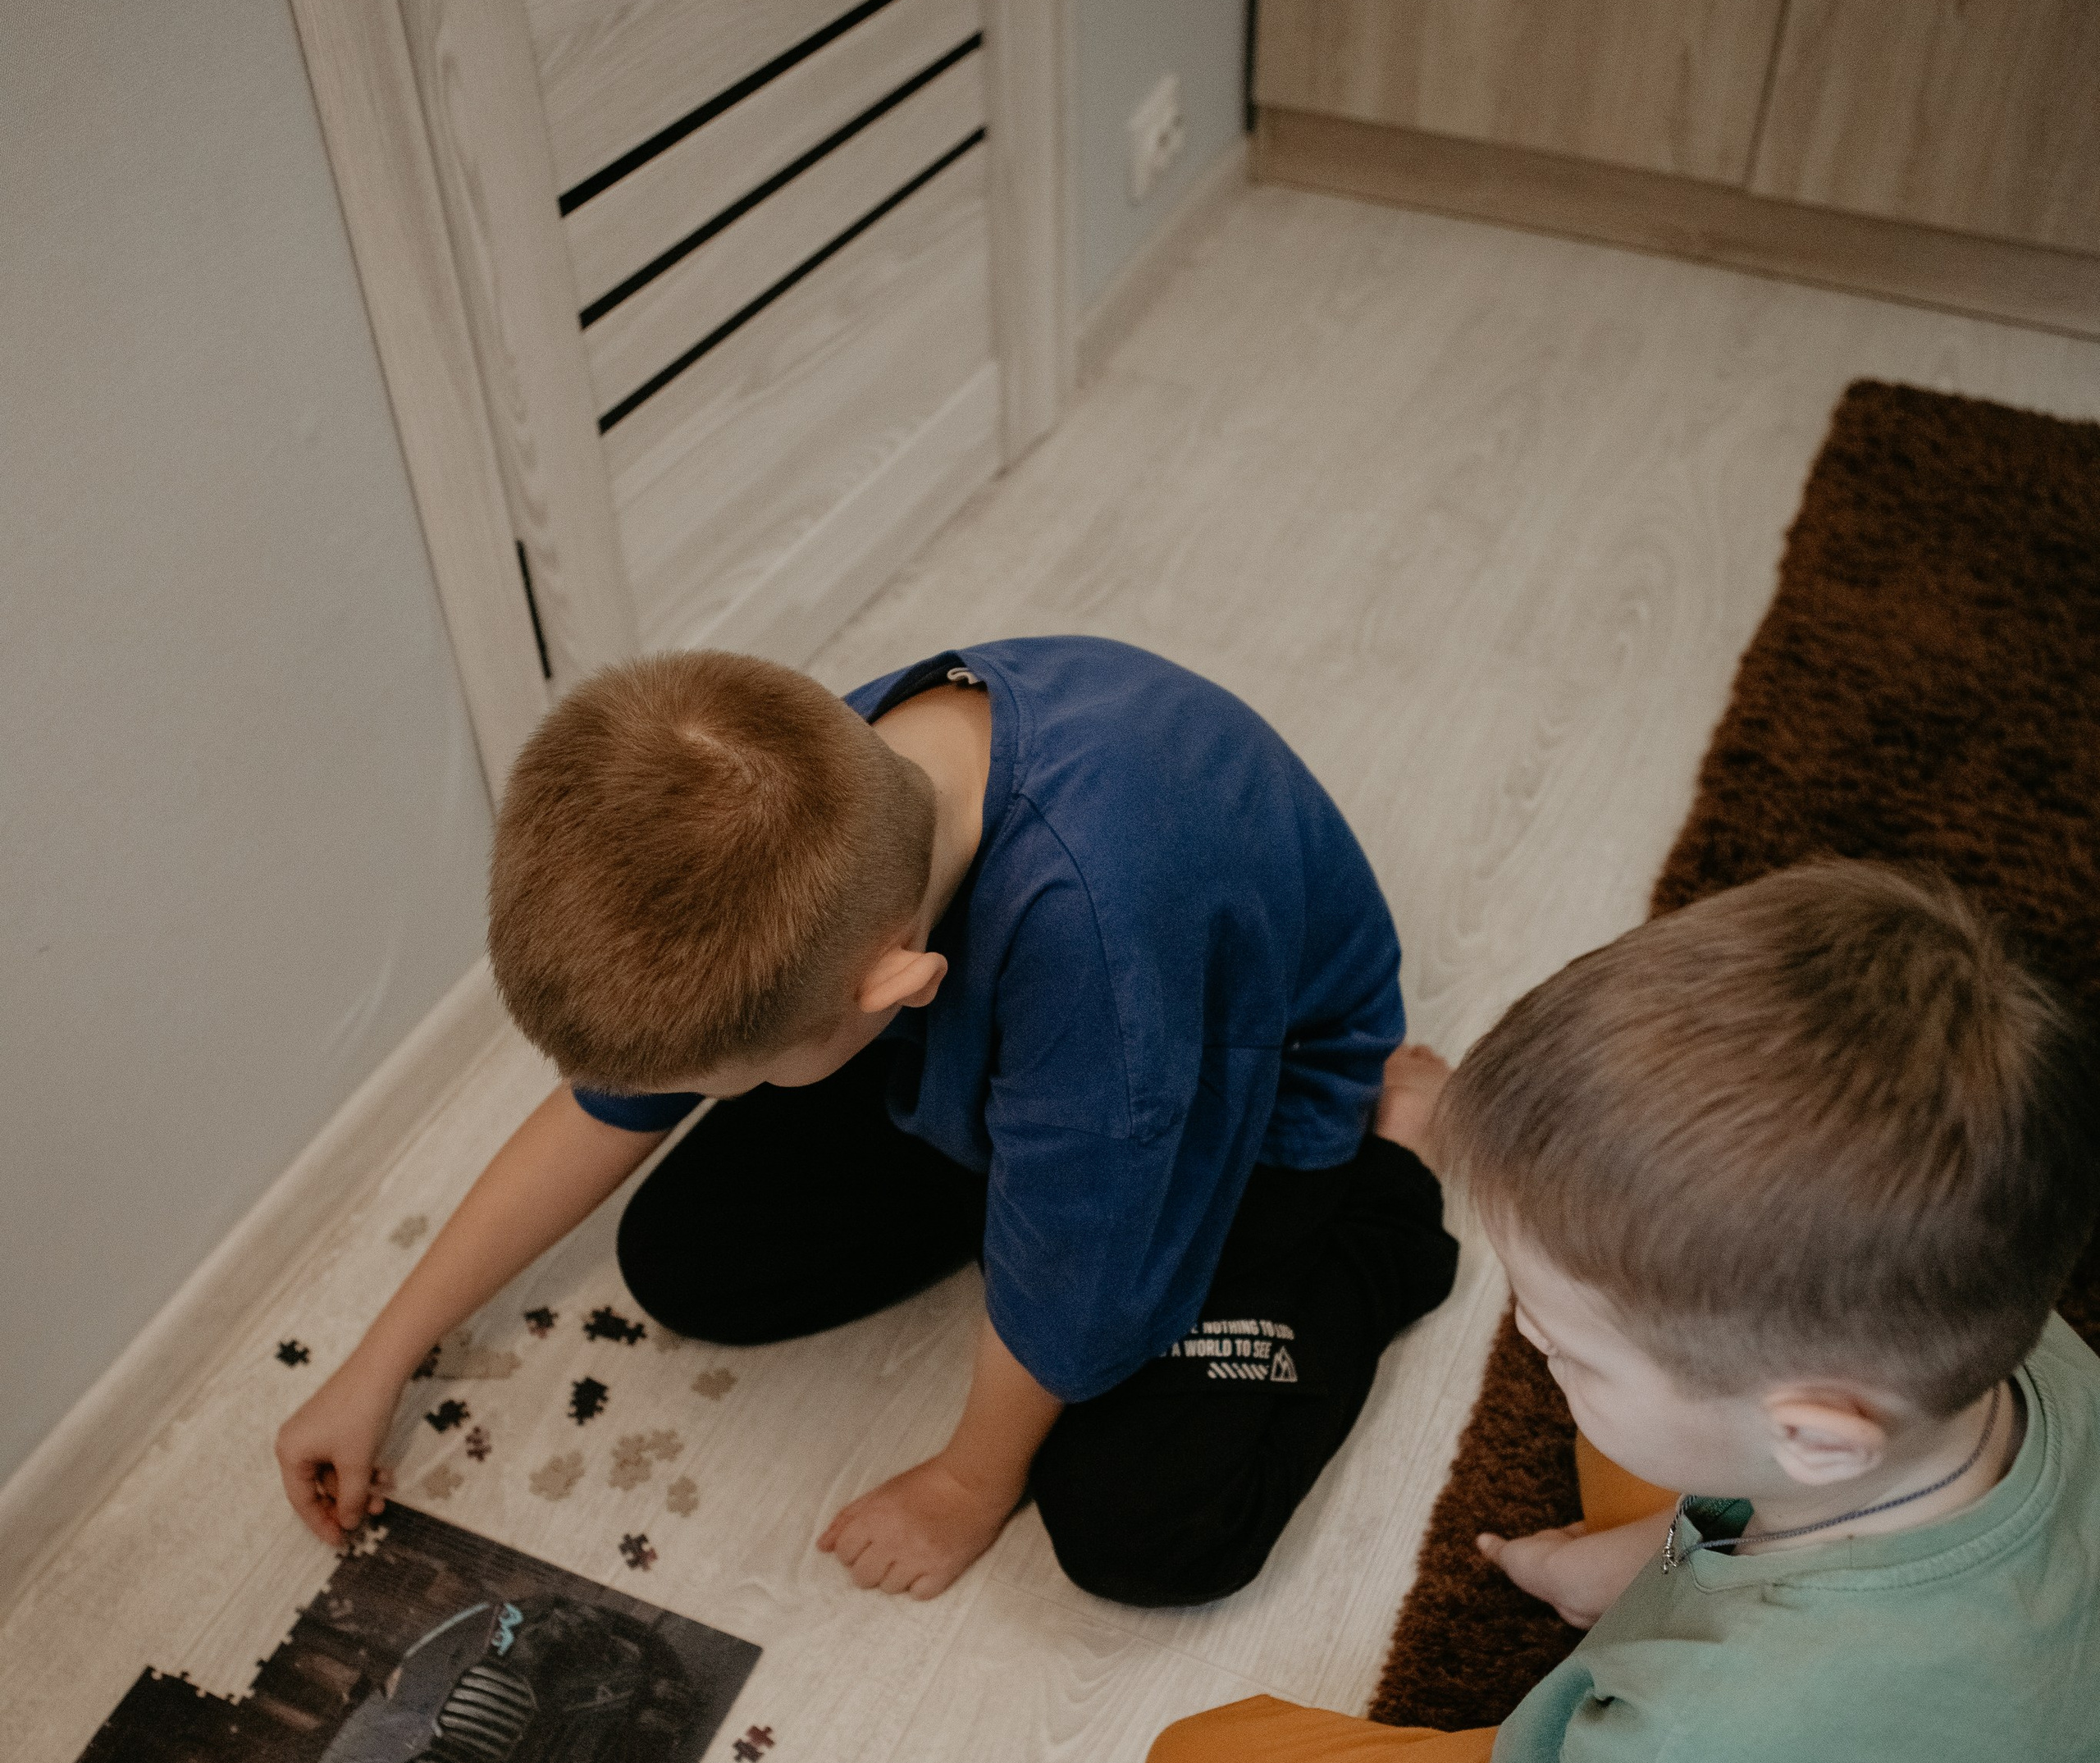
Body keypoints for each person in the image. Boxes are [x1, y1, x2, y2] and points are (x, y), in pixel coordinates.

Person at [1139, 862, 2100, 1763]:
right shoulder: (2018, 1357)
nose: (1527, 1347)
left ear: (1817, 1434)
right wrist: (1648, 1551)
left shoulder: (1714, 1748)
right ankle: (1650, 1505)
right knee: (1671, 1422)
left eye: (1558, 1342)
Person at [278, 639, 1459, 1605]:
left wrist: (966, 1482)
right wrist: (379, 1364)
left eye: (716, 1083)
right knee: (683, 1264)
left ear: (886, 992)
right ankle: (983, 1147)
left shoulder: (1099, 965)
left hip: (1239, 1083)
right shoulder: (804, 785)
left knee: (1143, 1534)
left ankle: (1393, 1172)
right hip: (1028, 1047)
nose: (684, 1105)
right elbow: (605, 1106)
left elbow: (1076, 1277)